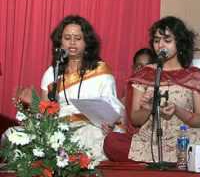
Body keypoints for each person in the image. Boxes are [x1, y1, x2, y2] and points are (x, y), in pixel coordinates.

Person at [103, 16, 200, 163]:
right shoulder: (144, 75)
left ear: (180, 43)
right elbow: (135, 120)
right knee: (112, 142)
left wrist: (177, 110)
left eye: (167, 40)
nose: (160, 45)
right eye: (157, 40)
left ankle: (161, 159)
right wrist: (150, 108)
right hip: (150, 139)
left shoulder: (194, 76)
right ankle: (176, 159)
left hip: (184, 138)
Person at [14, 15, 122, 162]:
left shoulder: (101, 71)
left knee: (96, 139)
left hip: (89, 127)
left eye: (78, 38)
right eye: (67, 37)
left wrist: (109, 124)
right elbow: (46, 113)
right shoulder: (52, 72)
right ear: (60, 41)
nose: (72, 42)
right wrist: (34, 103)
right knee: (13, 134)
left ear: (86, 43)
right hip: (58, 128)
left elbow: (111, 109)